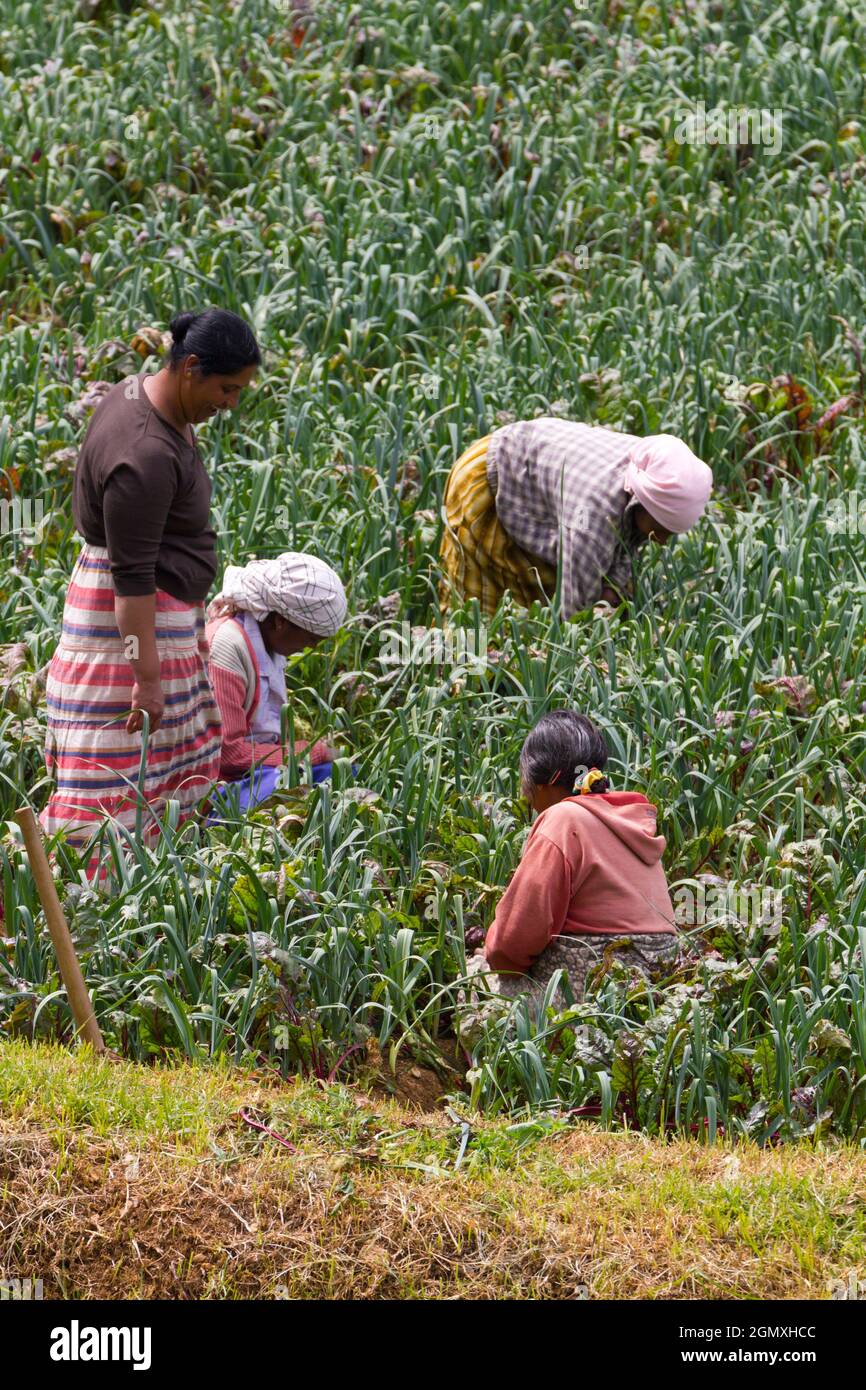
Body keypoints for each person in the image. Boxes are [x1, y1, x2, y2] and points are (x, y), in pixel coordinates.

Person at [41, 308, 261, 873]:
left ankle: (149, 886)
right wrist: (145, 679)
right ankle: (87, 902)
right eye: (226, 388)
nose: (231, 403)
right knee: (117, 774)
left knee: (152, 771)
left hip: (152, 617)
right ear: (190, 368)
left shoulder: (144, 396)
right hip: (129, 632)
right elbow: (132, 581)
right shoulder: (144, 456)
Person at [459, 710, 680, 1037]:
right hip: (650, 1001)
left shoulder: (563, 821)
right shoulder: (631, 824)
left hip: (593, 1004)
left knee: (476, 982)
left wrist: (487, 950)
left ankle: (499, 1084)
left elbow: (510, 946)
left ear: (543, 779)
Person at [439, 417, 713, 618]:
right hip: (487, 479)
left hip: (532, 481)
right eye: (660, 529)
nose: (662, 541)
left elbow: (626, 543)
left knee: (534, 598)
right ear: (641, 504)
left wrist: (611, 594)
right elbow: (573, 615)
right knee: (474, 607)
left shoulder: (650, 472)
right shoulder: (594, 516)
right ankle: (455, 673)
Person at [205, 552, 348, 810]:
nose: (312, 646)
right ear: (281, 622)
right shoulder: (227, 646)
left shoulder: (267, 642)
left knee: (342, 773)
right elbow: (227, 756)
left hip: (256, 772)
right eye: (311, 638)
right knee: (285, 786)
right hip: (219, 784)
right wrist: (307, 753)